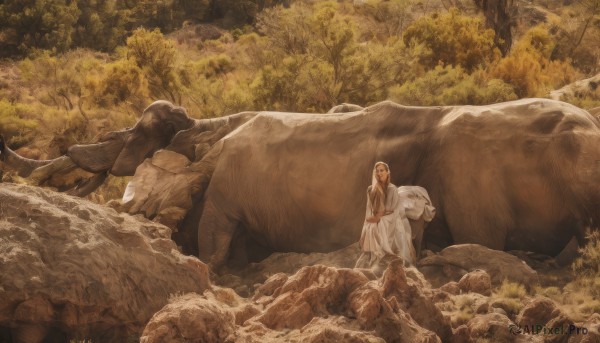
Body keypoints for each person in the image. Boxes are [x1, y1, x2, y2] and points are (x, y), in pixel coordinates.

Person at [355, 161, 416, 270]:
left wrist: (378, 217)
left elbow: (391, 209)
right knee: (370, 225)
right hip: (379, 216)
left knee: (381, 223)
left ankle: (384, 253)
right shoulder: (370, 189)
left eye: (382, 170)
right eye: (377, 171)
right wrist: (370, 218)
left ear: (387, 172)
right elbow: (369, 208)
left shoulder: (392, 189)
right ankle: (374, 257)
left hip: (391, 217)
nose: (379, 173)